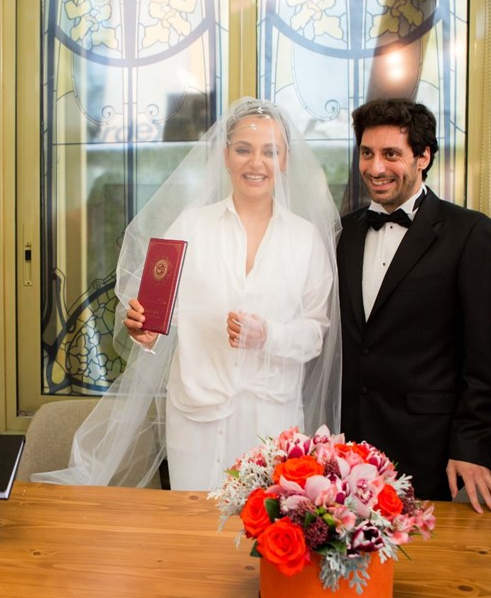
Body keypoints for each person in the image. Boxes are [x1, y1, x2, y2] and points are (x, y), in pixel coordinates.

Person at [34, 98, 341, 490]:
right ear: (225, 156)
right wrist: (144, 330)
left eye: (270, 151)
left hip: (271, 422)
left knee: (263, 525)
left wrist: (268, 335)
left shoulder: (306, 239)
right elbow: (155, 314)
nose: (256, 163)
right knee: (191, 520)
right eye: (243, 149)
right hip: (195, 419)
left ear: (285, 160)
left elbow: (315, 334)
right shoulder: (189, 226)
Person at [337, 98, 491, 514]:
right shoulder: (343, 233)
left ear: (424, 156)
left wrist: (471, 446)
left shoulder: (470, 233)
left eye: (390, 154)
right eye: (367, 153)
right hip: (347, 452)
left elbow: (486, 359)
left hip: (427, 451)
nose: (375, 167)